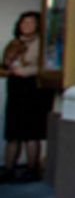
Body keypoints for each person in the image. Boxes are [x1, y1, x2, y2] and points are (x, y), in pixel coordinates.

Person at [2, 11, 51, 183]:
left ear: (38, 24)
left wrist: (27, 71)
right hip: (16, 89)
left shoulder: (43, 44)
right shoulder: (14, 43)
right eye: (23, 22)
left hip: (34, 89)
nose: (26, 25)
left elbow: (48, 66)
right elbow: (4, 64)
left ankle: (32, 169)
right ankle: (8, 169)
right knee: (13, 132)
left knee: (32, 132)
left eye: (31, 22)